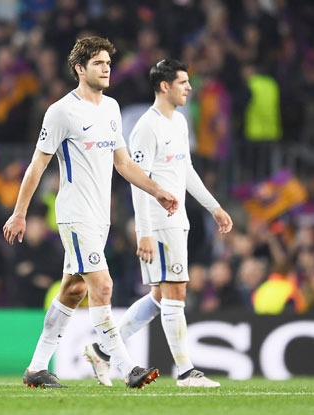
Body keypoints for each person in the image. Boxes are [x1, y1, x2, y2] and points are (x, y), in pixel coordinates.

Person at [3, 37, 179, 389]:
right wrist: (19, 212)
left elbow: (124, 164)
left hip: (100, 217)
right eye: (98, 63)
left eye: (108, 63)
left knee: (72, 291)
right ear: (80, 69)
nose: (106, 68)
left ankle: (36, 369)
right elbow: (38, 165)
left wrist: (157, 190)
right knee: (104, 285)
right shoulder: (61, 111)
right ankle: (125, 366)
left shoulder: (112, 108)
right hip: (74, 214)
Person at [84, 59, 232, 388]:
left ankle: (102, 350)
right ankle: (185, 372)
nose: (189, 88)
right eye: (183, 82)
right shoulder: (146, 128)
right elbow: (140, 182)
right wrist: (145, 233)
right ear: (164, 86)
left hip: (177, 220)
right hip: (159, 223)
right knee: (175, 291)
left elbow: (187, 171)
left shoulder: (179, 122)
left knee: (161, 297)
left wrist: (214, 207)